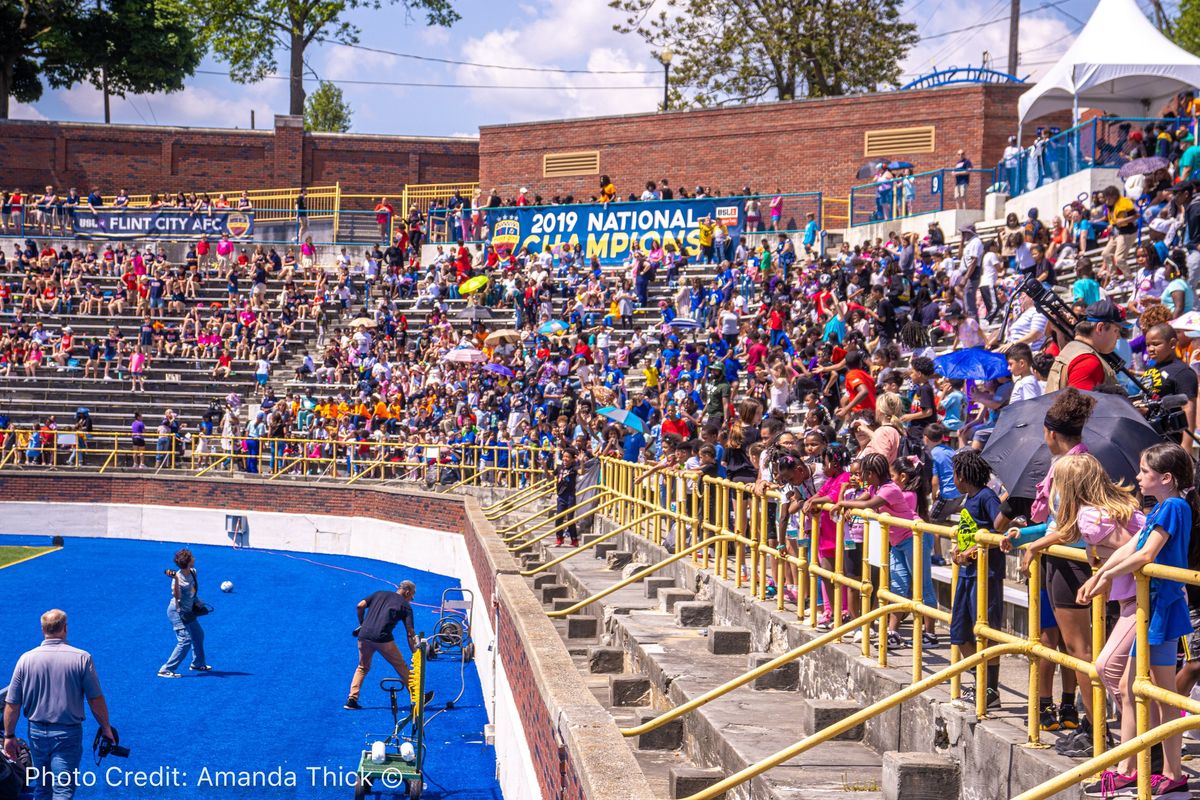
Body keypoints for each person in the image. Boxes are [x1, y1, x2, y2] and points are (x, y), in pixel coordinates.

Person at [1078, 444, 1198, 797]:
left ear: (1166, 478)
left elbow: (1146, 553)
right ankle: (1136, 766)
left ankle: (1165, 770)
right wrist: (1101, 576)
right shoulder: (1164, 506)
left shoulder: (1174, 506)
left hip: (1161, 607)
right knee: (1144, 690)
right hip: (1154, 605)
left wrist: (1103, 577)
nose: (1137, 477)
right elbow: (1129, 549)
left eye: (1144, 472)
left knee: (1159, 694)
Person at [4, 609, 115, 800]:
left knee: (42, 788)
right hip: (67, 735)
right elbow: (95, 699)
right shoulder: (81, 658)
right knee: (63, 790)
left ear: (42, 629)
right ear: (65, 628)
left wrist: (9, 735)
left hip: (36, 733)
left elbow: (12, 703)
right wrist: (106, 727)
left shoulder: (26, 659)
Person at [947, 450, 1003, 709]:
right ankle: (979, 679)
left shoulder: (986, 496)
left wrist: (975, 550)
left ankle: (990, 689)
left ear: (962, 474)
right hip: (967, 574)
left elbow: (998, 530)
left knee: (986, 630)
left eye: (954, 473)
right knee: (959, 633)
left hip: (986, 574)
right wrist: (959, 548)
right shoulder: (968, 499)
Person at [345, 580, 426, 710]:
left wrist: (362, 623)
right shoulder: (405, 606)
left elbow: (360, 606)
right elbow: (410, 633)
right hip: (383, 639)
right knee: (401, 666)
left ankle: (352, 700)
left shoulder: (379, 593)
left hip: (364, 636)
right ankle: (418, 697)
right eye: (412, 596)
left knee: (362, 667)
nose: (411, 599)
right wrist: (415, 653)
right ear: (407, 592)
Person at [1044, 299, 1128, 392]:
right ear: (1100, 328)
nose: (1118, 337)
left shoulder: (1075, 349)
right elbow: (1082, 405)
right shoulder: (1088, 362)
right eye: (1116, 330)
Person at [158, 548, 211, 678]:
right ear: (187, 562)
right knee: (185, 640)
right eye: (192, 557)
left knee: (198, 634)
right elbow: (177, 598)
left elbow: (192, 591)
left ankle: (197, 663)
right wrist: (175, 580)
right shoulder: (177, 580)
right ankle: (166, 669)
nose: (194, 559)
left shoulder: (193, 572)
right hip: (177, 612)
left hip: (187, 610)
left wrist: (197, 601)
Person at [554, 446, 581, 547]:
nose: (565, 459)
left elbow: (581, 472)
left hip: (570, 496)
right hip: (561, 496)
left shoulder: (574, 468)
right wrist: (544, 465)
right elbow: (551, 475)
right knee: (559, 518)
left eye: (568, 457)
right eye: (564, 456)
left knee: (570, 519)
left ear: (573, 459)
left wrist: (581, 462)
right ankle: (559, 538)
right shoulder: (560, 468)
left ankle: (574, 539)